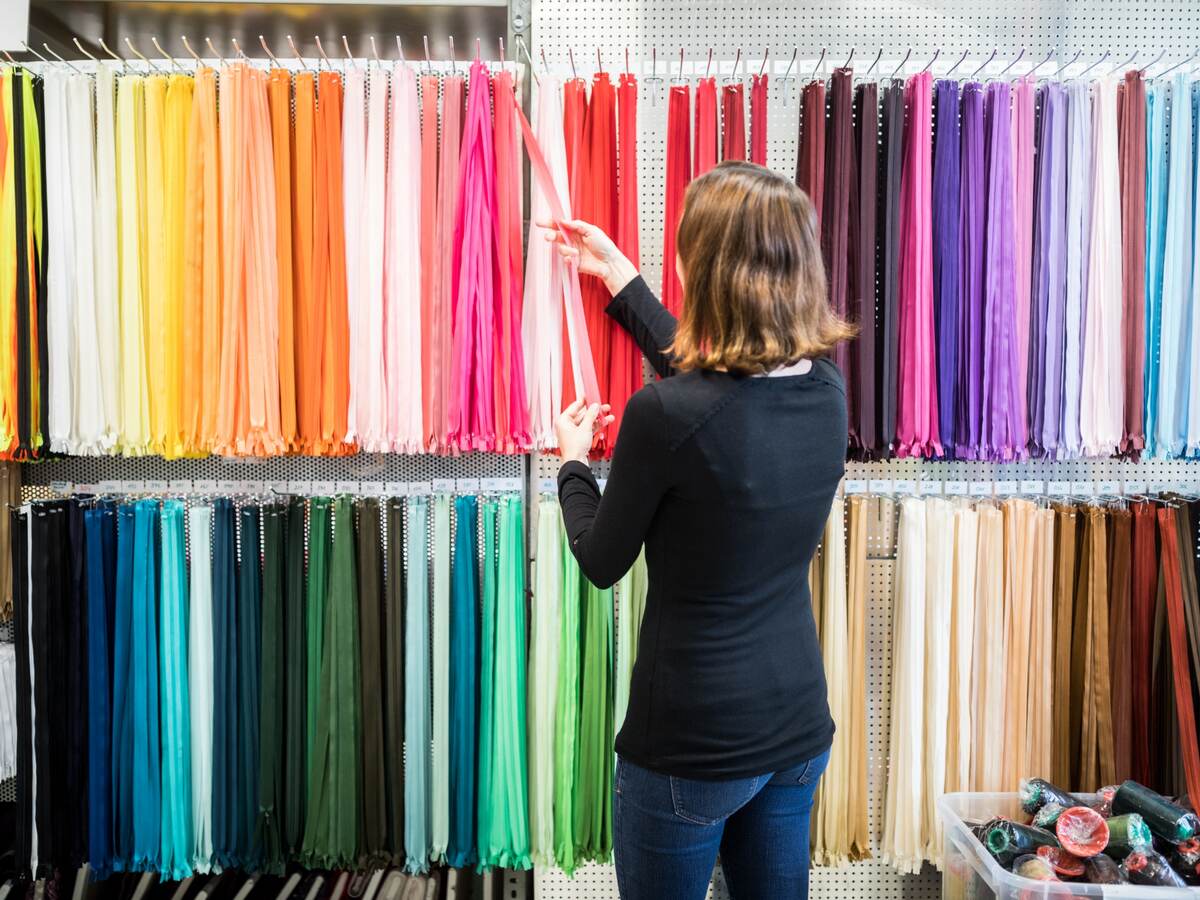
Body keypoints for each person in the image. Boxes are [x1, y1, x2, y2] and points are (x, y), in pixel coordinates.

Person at [548, 160, 854, 900]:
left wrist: (572, 466)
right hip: (795, 733)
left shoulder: (664, 417)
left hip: (689, 747)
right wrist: (622, 281)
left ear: (704, 267)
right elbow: (723, 395)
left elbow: (599, 559)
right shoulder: (826, 391)